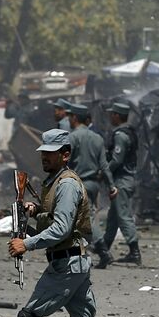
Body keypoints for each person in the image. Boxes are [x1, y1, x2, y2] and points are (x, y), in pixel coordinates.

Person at [5, 129, 114, 317]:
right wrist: (35, 212)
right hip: (74, 262)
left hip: (66, 264)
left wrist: (27, 244)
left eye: (51, 153)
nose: (45, 157)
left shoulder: (66, 185)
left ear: (65, 155)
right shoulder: (56, 182)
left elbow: (62, 229)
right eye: (44, 152)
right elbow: (55, 219)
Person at [66, 103, 118, 268]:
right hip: (93, 184)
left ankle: (103, 252)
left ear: (75, 118)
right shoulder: (97, 138)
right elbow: (104, 165)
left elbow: (65, 163)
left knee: (84, 218)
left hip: (78, 183)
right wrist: (111, 186)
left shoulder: (72, 138)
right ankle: (82, 253)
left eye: (70, 117)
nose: (69, 120)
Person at [100, 101, 142, 265]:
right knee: (113, 217)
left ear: (117, 116)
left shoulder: (120, 135)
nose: (110, 117)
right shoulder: (129, 132)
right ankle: (104, 247)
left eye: (112, 114)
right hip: (126, 179)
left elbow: (116, 160)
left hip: (122, 180)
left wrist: (104, 172)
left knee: (123, 216)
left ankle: (134, 251)